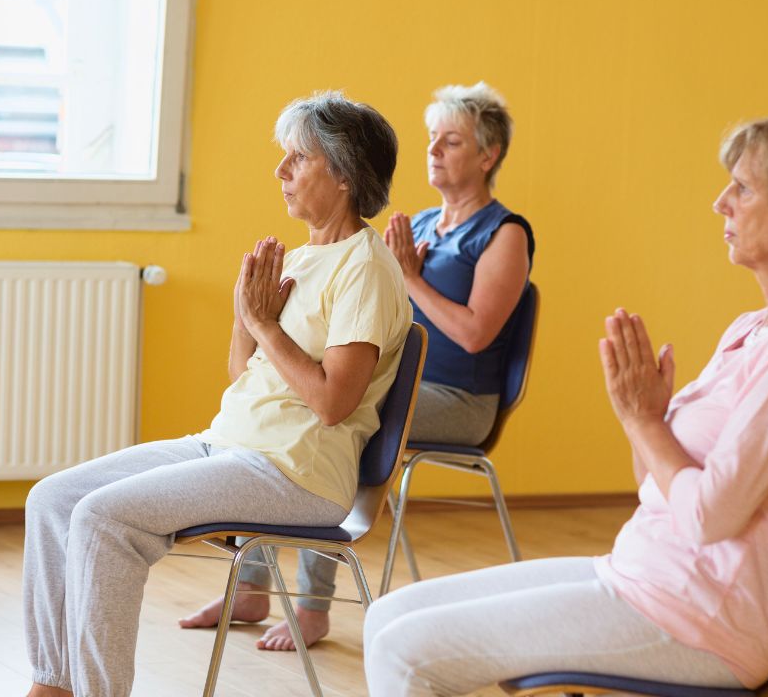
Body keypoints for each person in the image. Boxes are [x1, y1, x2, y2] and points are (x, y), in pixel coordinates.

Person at [363, 111, 768, 696]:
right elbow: (654, 485)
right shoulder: (755, 328)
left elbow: (709, 516)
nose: (721, 202)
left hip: (700, 618)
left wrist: (646, 421)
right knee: (386, 618)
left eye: (743, 187)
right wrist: (648, 421)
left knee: (403, 653)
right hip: (647, 575)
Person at [22, 92, 411, 697]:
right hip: (227, 445)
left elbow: (333, 402)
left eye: (297, 158)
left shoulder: (366, 268)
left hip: (297, 473)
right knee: (52, 500)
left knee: (103, 519)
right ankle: (55, 684)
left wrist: (264, 326)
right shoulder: (304, 258)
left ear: (342, 174)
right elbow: (243, 377)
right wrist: (244, 319)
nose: (280, 172)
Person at [180, 81, 534, 651]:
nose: (434, 151)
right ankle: (252, 585)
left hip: (457, 398)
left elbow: (475, 335)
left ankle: (313, 609)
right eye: (431, 140)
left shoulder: (504, 234)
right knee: (290, 413)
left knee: (326, 424)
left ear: (489, 156)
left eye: (452, 142)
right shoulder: (413, 228)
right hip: (389, 381)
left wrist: (412, 278)